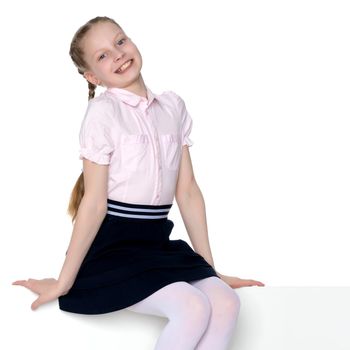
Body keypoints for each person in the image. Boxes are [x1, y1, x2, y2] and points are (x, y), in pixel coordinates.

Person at [12, 16, 265, 349]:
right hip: (112, 250)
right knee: (192, 307)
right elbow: (94, 203)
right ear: (92, 77)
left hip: (156, 245)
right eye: (102, 56)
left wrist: (209, 270)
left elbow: (187, 192)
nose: (117, 54)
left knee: (228, 303)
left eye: (120, 42)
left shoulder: (172, 107)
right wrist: (63, 281)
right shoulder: (103, 114)